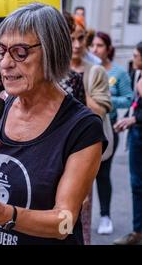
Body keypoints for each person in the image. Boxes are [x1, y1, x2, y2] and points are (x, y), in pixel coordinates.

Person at [0, 3, 107, 245]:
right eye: (0, 51)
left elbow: (65, 222)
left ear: (52, 52)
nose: (5, 63)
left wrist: (3, 214)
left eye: (20, 52)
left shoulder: (83, 127)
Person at [70, 18, 111, 245]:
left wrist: (77, 84)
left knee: (81, 215)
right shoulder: (51, 69)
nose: (77, 45)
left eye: (81, 38)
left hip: (84, 150)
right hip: (55, 151)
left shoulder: (95, 71)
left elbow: (100, 112)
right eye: (71, 38)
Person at [91, 32, 133, 235]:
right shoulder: (89, 68)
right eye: (94, 45)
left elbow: (128, 98)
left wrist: (104, 101)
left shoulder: (119, 72)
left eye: (100, 45)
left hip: (108, 127)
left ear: (108, 48)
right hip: (84, 128)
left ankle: (105, 216)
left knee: (102, 174)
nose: (95, 49)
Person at [113, 42, 142, 245]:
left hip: (138, 130)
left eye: (136, 55)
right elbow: (134, 103)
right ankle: (137, 231)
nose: (133, 58)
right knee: (136, 184)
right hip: (136, 135)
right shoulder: (135, 73)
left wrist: (134, 119)